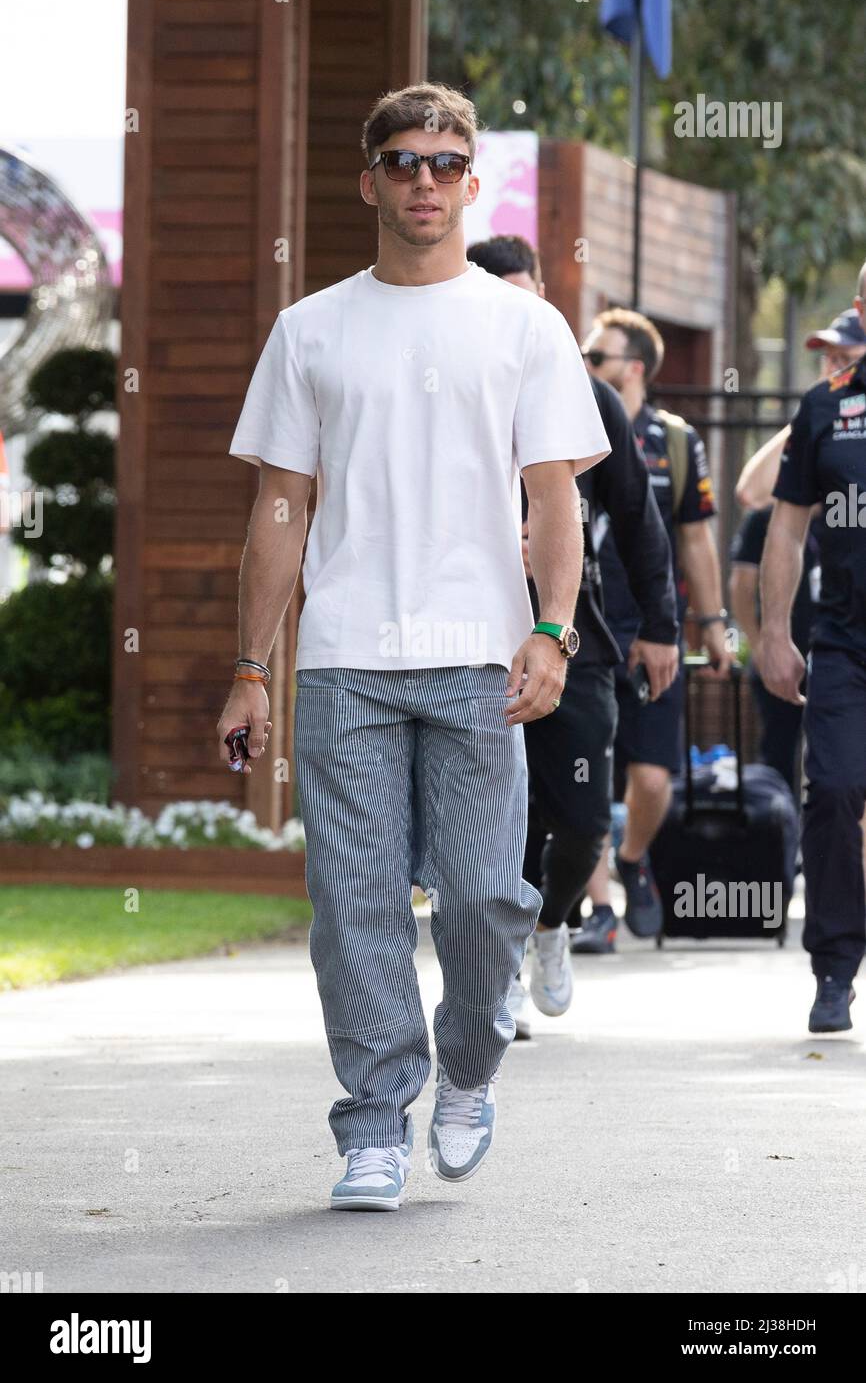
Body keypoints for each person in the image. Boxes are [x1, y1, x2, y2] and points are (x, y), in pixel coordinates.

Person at [219, 83, 610, 1210]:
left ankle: (470, 1070)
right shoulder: (310, 331)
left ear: (471, 182)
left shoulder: (523, 327)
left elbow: (552, 502)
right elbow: (281, 512)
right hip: (344, 660)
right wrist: (254, 667)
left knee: (488, 897)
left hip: (481, 658)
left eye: (445, 163)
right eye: (402, 162)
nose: (424, 181)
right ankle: (373, 1119)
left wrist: (548, 628)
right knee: (354, 905)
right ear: (368, 180)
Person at [466, 236, 678, 1037]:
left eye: (534, 295)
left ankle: (552, 925)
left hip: (572, 633)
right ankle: (497, 975)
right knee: (502, 820)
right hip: (475, 636)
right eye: (506, 298)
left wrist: (660, 626)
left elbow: (637, 519)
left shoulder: (590, 398)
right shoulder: (456, 389)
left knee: (587, 817)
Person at [582, 309, 733, 939]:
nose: (584, 367)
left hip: (650, 630)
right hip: (582, 627)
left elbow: (696, 539)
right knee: (583, 770)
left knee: (650, 774)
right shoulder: (566, 425)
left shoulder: (675, 440)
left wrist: (713, 622)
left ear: (634, 368)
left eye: (597, 359)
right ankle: (601, 910)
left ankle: (633, 859)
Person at [759, 262, 866, 1034]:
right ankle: (833, 968)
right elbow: (788, 526)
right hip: (843, 642)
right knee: (831, 790)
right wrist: (771, 631)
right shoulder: (826, 407)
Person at [729, 504, 822, 795]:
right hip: (781, 655)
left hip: (835, 657)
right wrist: (760, 647)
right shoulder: (764, 519)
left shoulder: (844, 516)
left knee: (835, 762)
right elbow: (741, 587)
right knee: (778, 754)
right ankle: (778, 831)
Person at [736, 308, 866, 511]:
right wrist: (812, 415)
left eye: (846, 359)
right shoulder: (825, 418)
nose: (833, 370)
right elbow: (752, 493)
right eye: (830, 358)